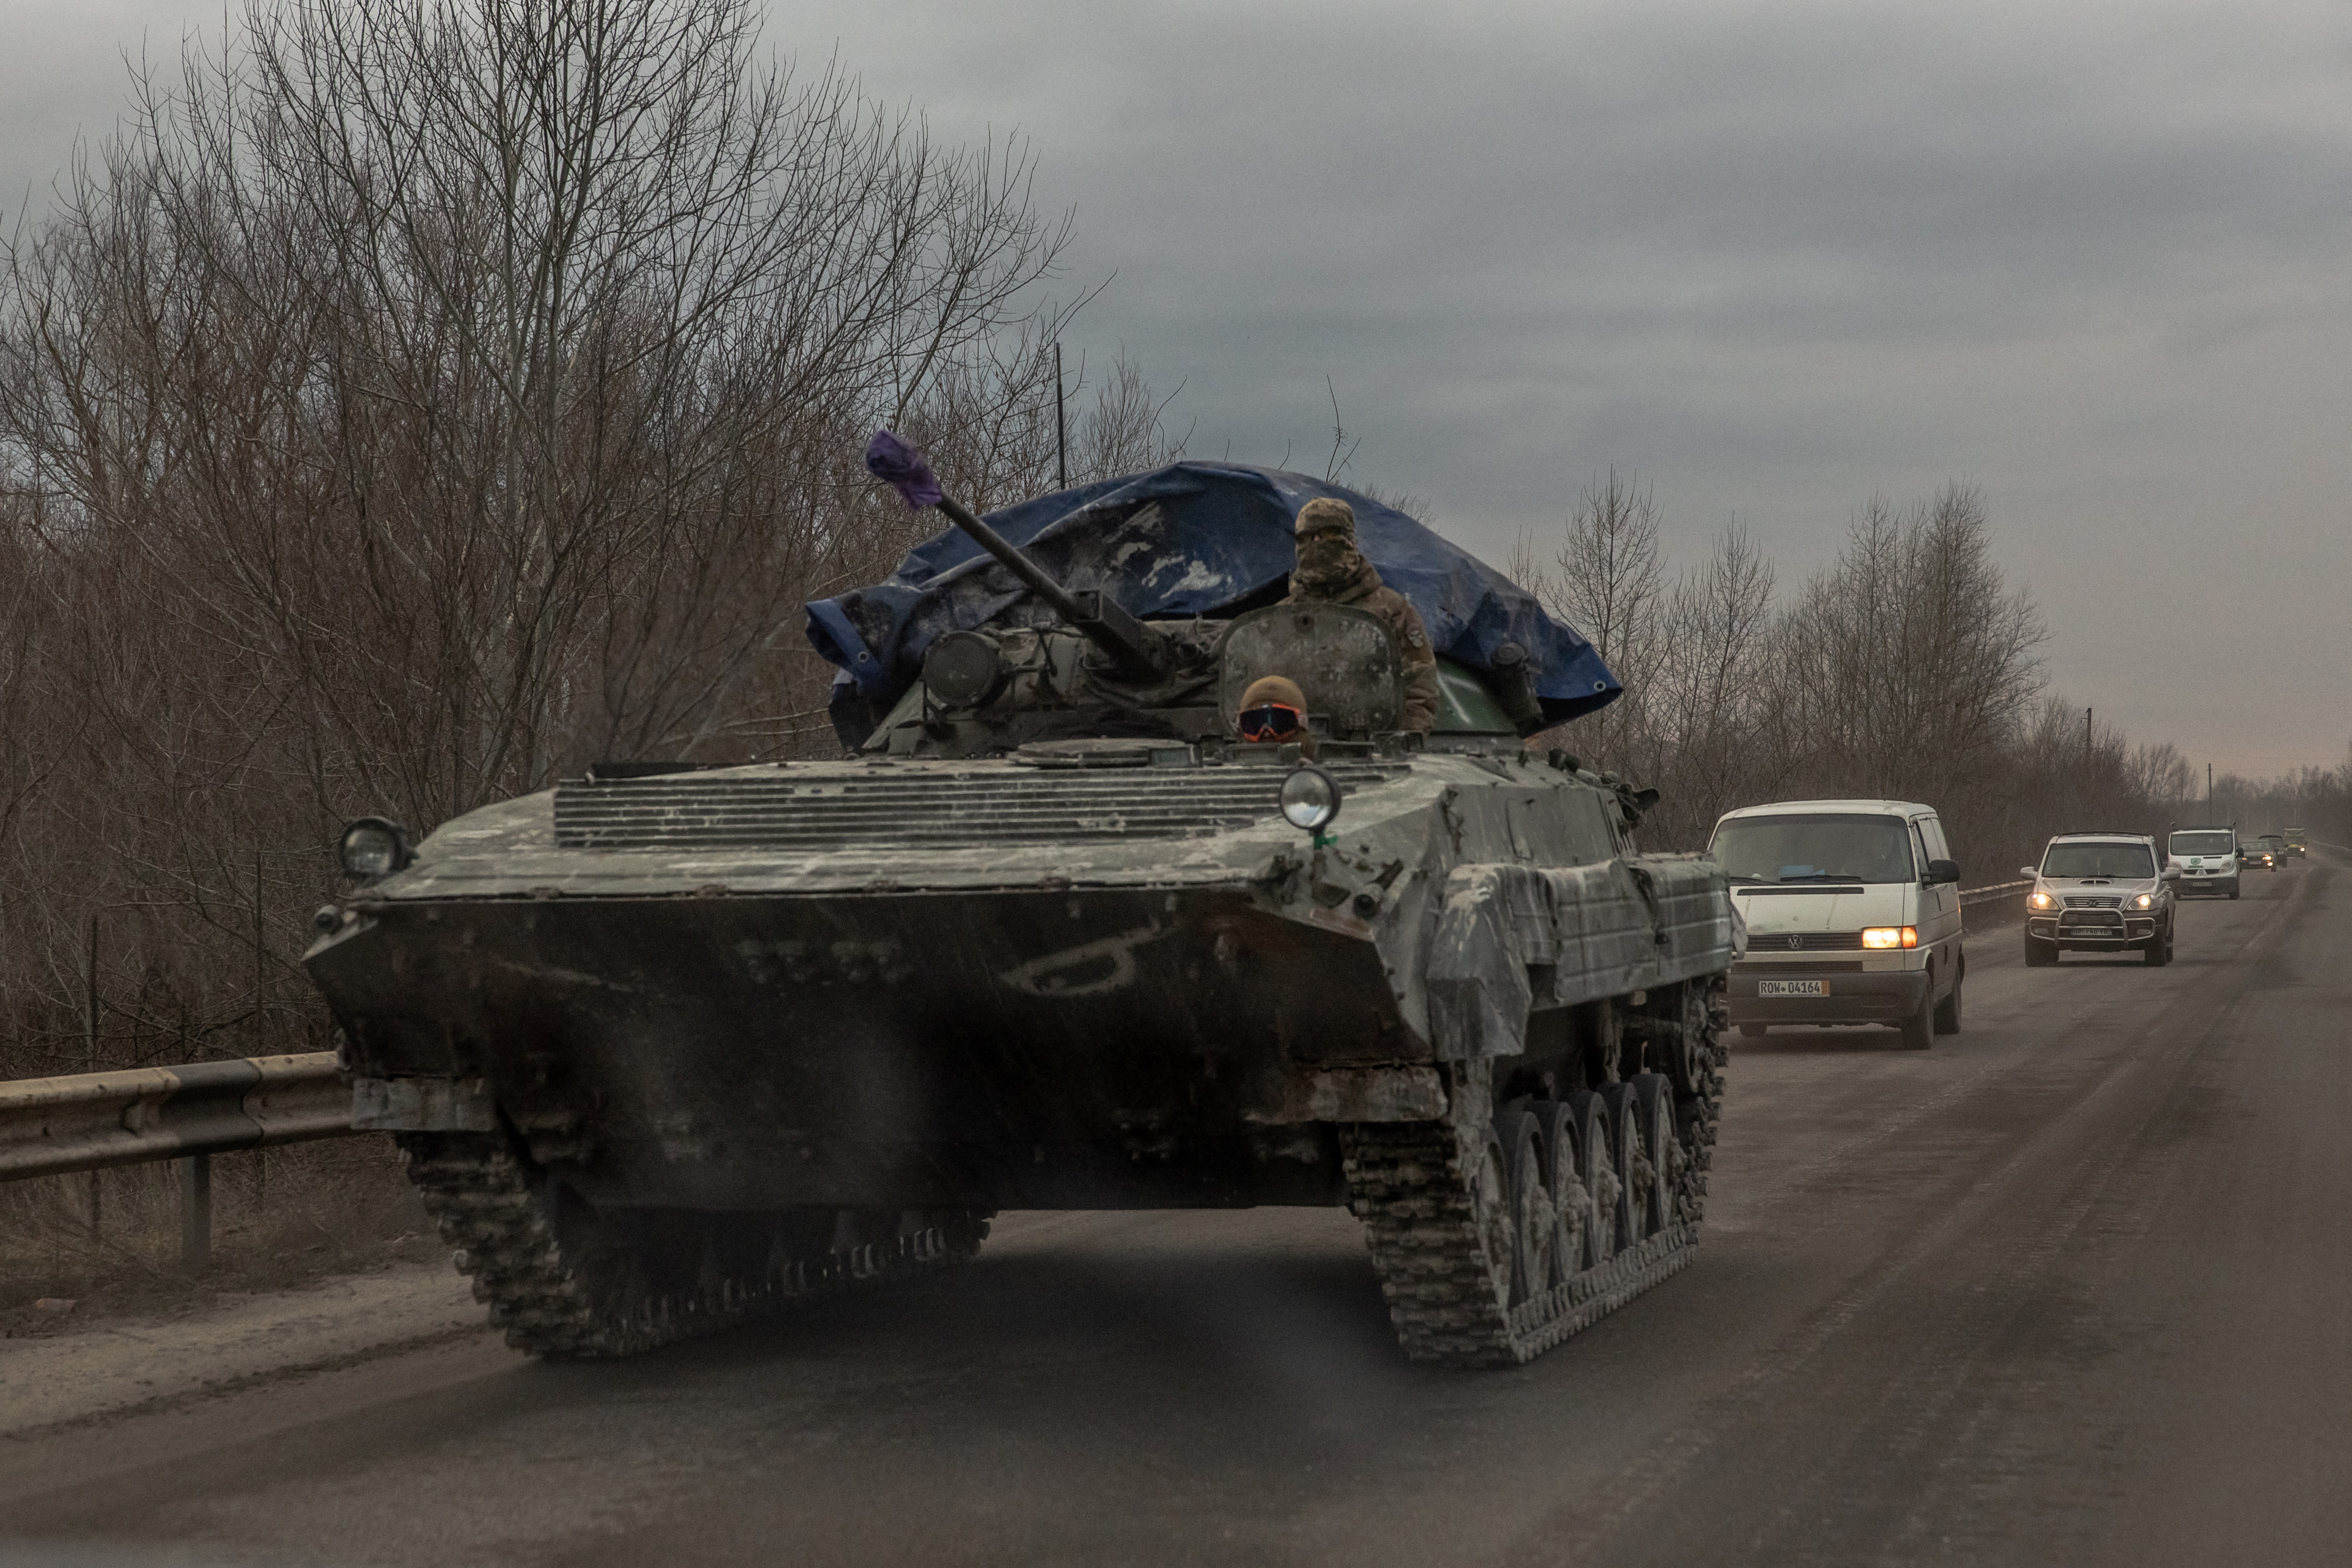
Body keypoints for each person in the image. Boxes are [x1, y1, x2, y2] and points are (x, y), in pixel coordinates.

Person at [1285, 497, 1440, 732]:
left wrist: (1404, 743)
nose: (1316, 542)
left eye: (1327, 533)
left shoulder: (1393, 610)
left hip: (1371, 748)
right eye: (1306, 537)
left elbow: (1419, 689)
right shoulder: (1283, 616)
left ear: (1349, 538)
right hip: (1295, 748)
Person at [1236, 674, 1313, 753]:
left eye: (1280, 723)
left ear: (1300, 725)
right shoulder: (1229, 760)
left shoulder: (1318, 760)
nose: (1266, 735)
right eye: (1256, 724)